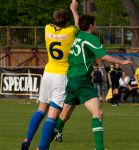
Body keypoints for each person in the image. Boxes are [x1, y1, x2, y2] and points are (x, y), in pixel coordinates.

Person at [53, 15, 132, 150]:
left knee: (65, 114)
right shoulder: (91, 38)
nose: (95, 26)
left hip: (71, 79)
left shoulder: (77, 34)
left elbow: (78, 22)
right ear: (91, 26)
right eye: (94, 24)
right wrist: (122, 62)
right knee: (98, 113)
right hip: (82, 80)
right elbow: (103, 56)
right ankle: (99, 148)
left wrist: (73, 9)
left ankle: (54, 133)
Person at [21, 0, 79, 150]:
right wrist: (74, 9)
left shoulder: (48, 29)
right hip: (61, 76)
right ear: (67, 22)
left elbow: (55, 25)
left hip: (48, 73)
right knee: (52, 115)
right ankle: (42, 147)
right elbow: (79, 26)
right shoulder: (70, 32)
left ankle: (27, 139)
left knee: (41, 109)